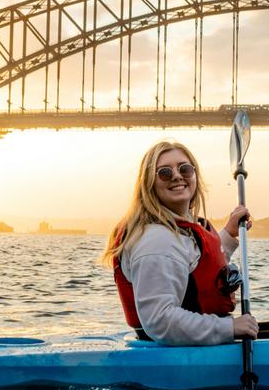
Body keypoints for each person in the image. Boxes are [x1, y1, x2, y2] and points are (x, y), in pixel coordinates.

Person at [99, 140, 259, 346]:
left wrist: (228, 235)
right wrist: (230, 328)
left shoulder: (177, 231)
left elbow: (194, 270)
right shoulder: (156, 241)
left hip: (192, 344)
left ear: (195, 176)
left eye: (185, 169)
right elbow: (160, 321)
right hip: (170, 355)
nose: (177, 176)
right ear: (149, 184)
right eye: (164, 172)